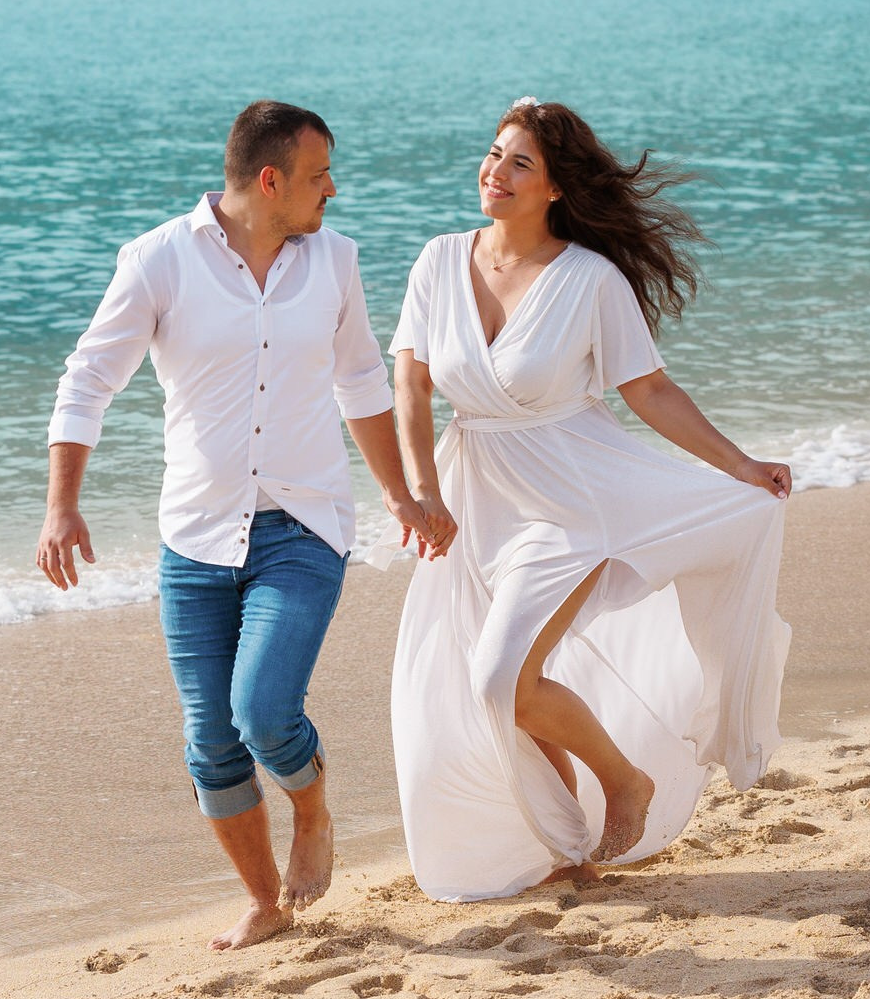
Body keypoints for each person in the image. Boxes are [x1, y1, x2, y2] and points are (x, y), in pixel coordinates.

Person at [40, 100, 436, 949]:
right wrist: (62, 505)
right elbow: (88, 381)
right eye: (319, 173)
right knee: (211, 744)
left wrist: (400, 497)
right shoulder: (158, 262)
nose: (333, 188)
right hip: (195, 539)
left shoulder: (334, 262)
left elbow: (362, 383)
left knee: (262, 713)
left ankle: (313, 803)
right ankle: (265, 903)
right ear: (270, 180)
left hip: (304, 524)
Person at [388, 98, 794, 902]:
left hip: (569, 500)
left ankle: (625, 780)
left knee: (501, 675)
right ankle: (563, 841)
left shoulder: (589, 280)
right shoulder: (440, 260)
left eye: (519, 164)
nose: (495, 173)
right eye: (494, 154)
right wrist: (419, 492)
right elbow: (410, 377)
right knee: (496, 679)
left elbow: (647, 388)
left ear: (556, 189)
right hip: (471, 498)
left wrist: (739, 463)